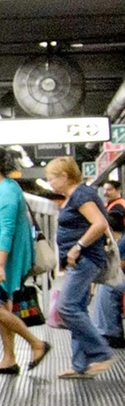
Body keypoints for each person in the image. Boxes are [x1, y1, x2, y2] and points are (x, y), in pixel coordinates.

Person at [0, 145, 50, 375]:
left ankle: (36, 344)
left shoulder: (7, 190)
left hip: (5, 259)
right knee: (3, 308)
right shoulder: (1, 188)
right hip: (1, 256)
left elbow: (7, 230)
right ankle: (9, 359)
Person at [47, 157, 114, 378]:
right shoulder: (75, 196)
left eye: (51, 178)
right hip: (80, 261)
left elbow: (100, 223)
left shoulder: (81, 195)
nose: (50, 183)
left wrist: (77, 247)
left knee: (67, 308)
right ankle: (80, 365)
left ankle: (101, 352)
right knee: (77, 309)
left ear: (64, 176)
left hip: (86, 259)